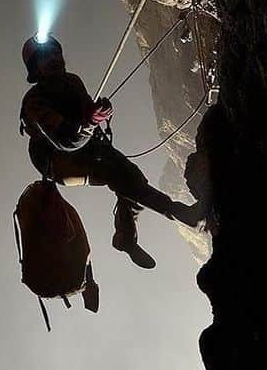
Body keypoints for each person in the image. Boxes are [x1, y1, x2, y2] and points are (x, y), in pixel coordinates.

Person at [20, 34, 204, 269]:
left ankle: (125, 237)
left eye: (55, 52)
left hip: (88, 147)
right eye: (45, 57)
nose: (54, 58)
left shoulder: (73, 82)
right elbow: (65, 140)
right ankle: (183, 215)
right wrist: (89, 121)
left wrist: (98, 111)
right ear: (36, 68)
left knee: (132, 176)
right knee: (120, 177)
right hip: (59, 162)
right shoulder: (34, 102)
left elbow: (87, 113)